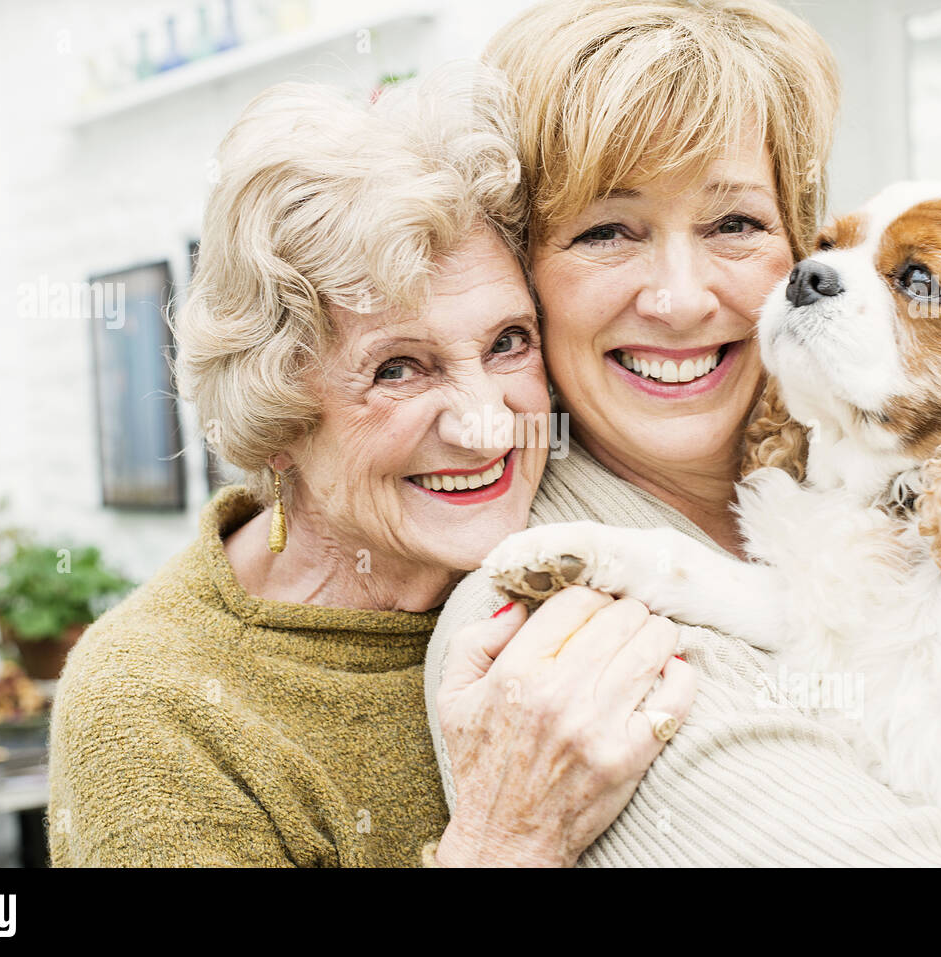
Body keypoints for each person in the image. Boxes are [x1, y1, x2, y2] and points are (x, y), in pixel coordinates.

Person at [46, 65, 695, 867]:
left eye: (508, 342)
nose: (487, 423)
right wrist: (504, 841)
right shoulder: (152, 706)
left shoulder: (581, 534)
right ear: (277, 413)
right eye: (399, 368)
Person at [426, 0, 941, 866]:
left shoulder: (883, 488)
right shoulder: (556, 620)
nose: (680, 299)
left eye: (734, 224)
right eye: (607, 230)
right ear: (520, 276)